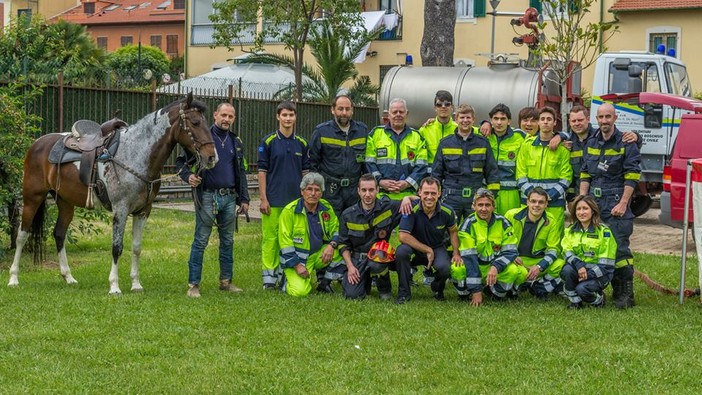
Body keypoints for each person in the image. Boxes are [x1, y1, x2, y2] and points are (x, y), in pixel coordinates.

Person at [176, 102, 249, 298]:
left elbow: (241, 171)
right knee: (200, 241)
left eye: (230, 116)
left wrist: (244, 198)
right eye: (223, 115)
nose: (226, 119)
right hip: (207, 195)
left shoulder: (235, 141)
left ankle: (226, 281)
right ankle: (193, 285)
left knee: (228, 241)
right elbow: (180, 162)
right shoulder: (202, 136)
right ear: (215, 115)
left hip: (229, 197)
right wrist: (188, 177)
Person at [579, 103, 641, 309]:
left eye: (608, 117)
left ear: (615, 118)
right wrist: (582, 200)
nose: (604, 121)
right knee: (595, 246)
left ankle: (625, 293)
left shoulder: (626, 142)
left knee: (619, 249)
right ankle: (600, 288)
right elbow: (586, 173)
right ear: (596, 119)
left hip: (615, 201)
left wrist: (623, 203)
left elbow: (632, 176)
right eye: (601, 117)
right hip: (594, 201)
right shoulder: (591, 142)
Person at [257, 101, 310, 290]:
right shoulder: (268, 141)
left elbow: (306, 174)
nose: (288, 118)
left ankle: (285, 276)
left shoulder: (302, 143)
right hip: (273, 201)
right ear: (278, 117)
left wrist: (306, 199)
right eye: (284, 115)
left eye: (291, 115)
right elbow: (262, 172)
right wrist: (263, 199)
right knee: (271, 239)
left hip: (295, 203)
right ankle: (269, 279)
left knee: (291, 241)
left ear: (295, 118)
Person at [337, 174, 412, 300]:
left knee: (378, 261)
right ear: (358, 191)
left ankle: (384, 288)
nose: (368, 194)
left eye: (371, 190)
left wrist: (407, 198)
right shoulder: (347, 214)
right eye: (364, 190)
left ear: (377, 190)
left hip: (379, 256)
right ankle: (364, 283)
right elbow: (343, 244)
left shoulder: (387, 206)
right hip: (357, 260)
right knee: (352, 295)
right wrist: (350, 267)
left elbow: (419, 200)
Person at [395, 177, 461, 304]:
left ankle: (437, 288)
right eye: (426, 193)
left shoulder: (448, 211)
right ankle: (404, 293)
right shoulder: (411, 208)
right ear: (419, 192)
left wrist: (456, 253)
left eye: (433, 193)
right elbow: (403, 236)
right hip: (414, 248)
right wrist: (427, 250)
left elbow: (453, 231)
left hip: (436, 247)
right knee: (401, 252)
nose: (429, 197)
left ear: (439, 193)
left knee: (445, 268)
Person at [451, 188, 521, 306]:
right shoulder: (468, 224)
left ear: (494, 207)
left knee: (513, 270)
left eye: (488, 205)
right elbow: (469, 258)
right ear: (473, 206)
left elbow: (510, 251)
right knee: (457, 268)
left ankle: (495, 294)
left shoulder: (503, 222)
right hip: (475, 264)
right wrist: (476, 290)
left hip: (494, 265)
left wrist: (495, 267)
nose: (484, 209)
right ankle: (465, 294)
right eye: (480, 205)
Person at [278, 173, 343, 297]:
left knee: (343, 251)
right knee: (300, 292)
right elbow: (285, 243)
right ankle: (284, 281)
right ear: (302, 191)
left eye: (317, 190)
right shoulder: (289, 211)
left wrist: (331, 246)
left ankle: (324, 283)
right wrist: (297, 266)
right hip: (297, 259)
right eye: (309, 189)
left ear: (321, 193)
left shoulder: (326, 207)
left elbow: (337, 230)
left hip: (318, 254)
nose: (313, 193)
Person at [432, 104, 499, 223]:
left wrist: (491, 196)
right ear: (456, 119)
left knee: (477, 231)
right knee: (447, 233)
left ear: (473, 119)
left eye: (468, 118)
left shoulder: (483, 143)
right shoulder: (445, 143)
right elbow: (436, 173)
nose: (465, 121)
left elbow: (492, 172)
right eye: (462, 117)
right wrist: (436, 195)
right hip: (451, 196)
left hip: (476, 196)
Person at [562, 105, 640, 202]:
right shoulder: (567, 143)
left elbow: (631, 163)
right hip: (577, 196)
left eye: (580, 120)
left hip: (606, 196)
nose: (577, 123)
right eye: (574, 121)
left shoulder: (598, 138)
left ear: (588, 119)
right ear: (569, 122)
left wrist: (637, 137)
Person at [516, 106, 572, 236]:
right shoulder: (526, 146)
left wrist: (548, 197)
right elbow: (520, 174)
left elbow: (566, 177)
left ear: (554, 123)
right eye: (542, 119)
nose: (545, 122)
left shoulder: (563, 149)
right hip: (528, 202)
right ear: (538, 122)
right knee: (526, 235)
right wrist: (534, 198)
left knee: (554, 237)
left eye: (549, 119)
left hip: (554, 203)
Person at [309, 95, 369, 217]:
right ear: (333, 110)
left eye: (347, 109)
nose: (344, 113)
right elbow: (312, 163)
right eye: (340, 109)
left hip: (354, 191)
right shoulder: (321, 131)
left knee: (354, 227)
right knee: (329, 228)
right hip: (330, 190)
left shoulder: (362, 131)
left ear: (352, 110)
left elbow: (366, 163)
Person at [506, 187, 565, 299]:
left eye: (541, 202)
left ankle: (538, 285)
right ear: (527, 202)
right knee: (519, 273)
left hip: (538, 260)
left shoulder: (551, 220)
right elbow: (501, 240)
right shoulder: (511, 215)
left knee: (561, 265)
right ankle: (517, 287)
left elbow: (554, 249)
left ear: (546, 204)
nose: (536, 205)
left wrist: (540, 266)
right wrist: (510, 255)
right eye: (533, 201)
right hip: (517, 260)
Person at [560, 195, 617, 309]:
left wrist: (588, 275)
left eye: (585, 208)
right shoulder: (570, 231)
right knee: (567, 270)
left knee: (582, 289)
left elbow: (606, 264)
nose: (581, 212)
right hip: (579, 270)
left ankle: (599, 300)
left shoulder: (604, 232)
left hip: (599, 274)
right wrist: (579, 265)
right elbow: (566, 251)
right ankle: (575, 302)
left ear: (593, 211)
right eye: (578, 209)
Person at [365, 98, 428, 200]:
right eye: (394, 112)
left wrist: (407, 183)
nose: (398, 114)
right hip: (381, 196)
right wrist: (379, 181)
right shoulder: (375, 134)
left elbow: (422, 165)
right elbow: (369, 163)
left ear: (406, 114)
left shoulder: (417, 136)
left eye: (401, 112)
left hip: (408, 196)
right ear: (388, 114)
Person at [418, 90, 458, 165]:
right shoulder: (424, 130)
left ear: (452, 107)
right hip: (431, 174)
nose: (443, 107)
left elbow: (477, 131)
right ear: (435, 108)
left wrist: (486, 123)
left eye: (447, 104)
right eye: (439, 105)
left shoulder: (459, 129)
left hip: (453, 174)